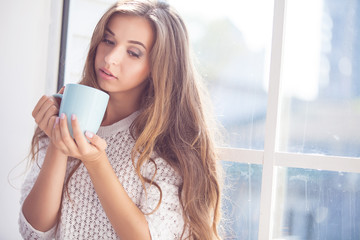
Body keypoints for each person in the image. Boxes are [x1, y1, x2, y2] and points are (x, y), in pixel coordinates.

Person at [19, 0, 223, 239]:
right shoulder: (66, 115)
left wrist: (96, 162)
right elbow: (33, 232)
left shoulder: (168, 146)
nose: (110, 58)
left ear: (159, 66)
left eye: (133, 52)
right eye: (108, 41)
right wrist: (58, 143)